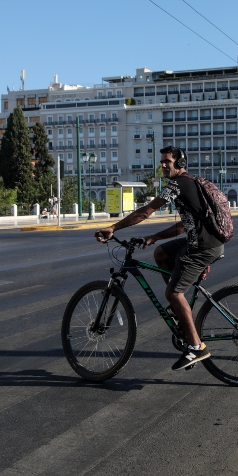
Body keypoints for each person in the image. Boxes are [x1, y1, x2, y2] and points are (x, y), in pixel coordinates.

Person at [95, 146, 226, 371]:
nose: (164, 165)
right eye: (162, 161)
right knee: (161, 253)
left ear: (180, 163)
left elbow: (146, 211)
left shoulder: (178, 184)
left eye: (168, 161)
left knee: (173, 293)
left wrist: (114, 227)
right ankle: (180, 313)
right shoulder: (188, 184)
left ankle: (196, 346)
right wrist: (155, 237)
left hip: (203, 247)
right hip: (201, 243)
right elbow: (185, 226)